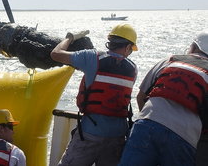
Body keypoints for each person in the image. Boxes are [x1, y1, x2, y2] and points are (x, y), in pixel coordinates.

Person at [51, 24, 138, 166]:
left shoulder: (92, 57)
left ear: (110, 41)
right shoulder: (133, 69)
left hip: (90, 133)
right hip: (117, 137)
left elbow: (56, 54)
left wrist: (69, 38)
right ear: (128, 47)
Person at [118, 33, 208, 166]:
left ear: (193, 48)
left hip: (146, 125)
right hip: (184, 138)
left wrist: (153, 123)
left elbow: (141, 96)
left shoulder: (170, 60)